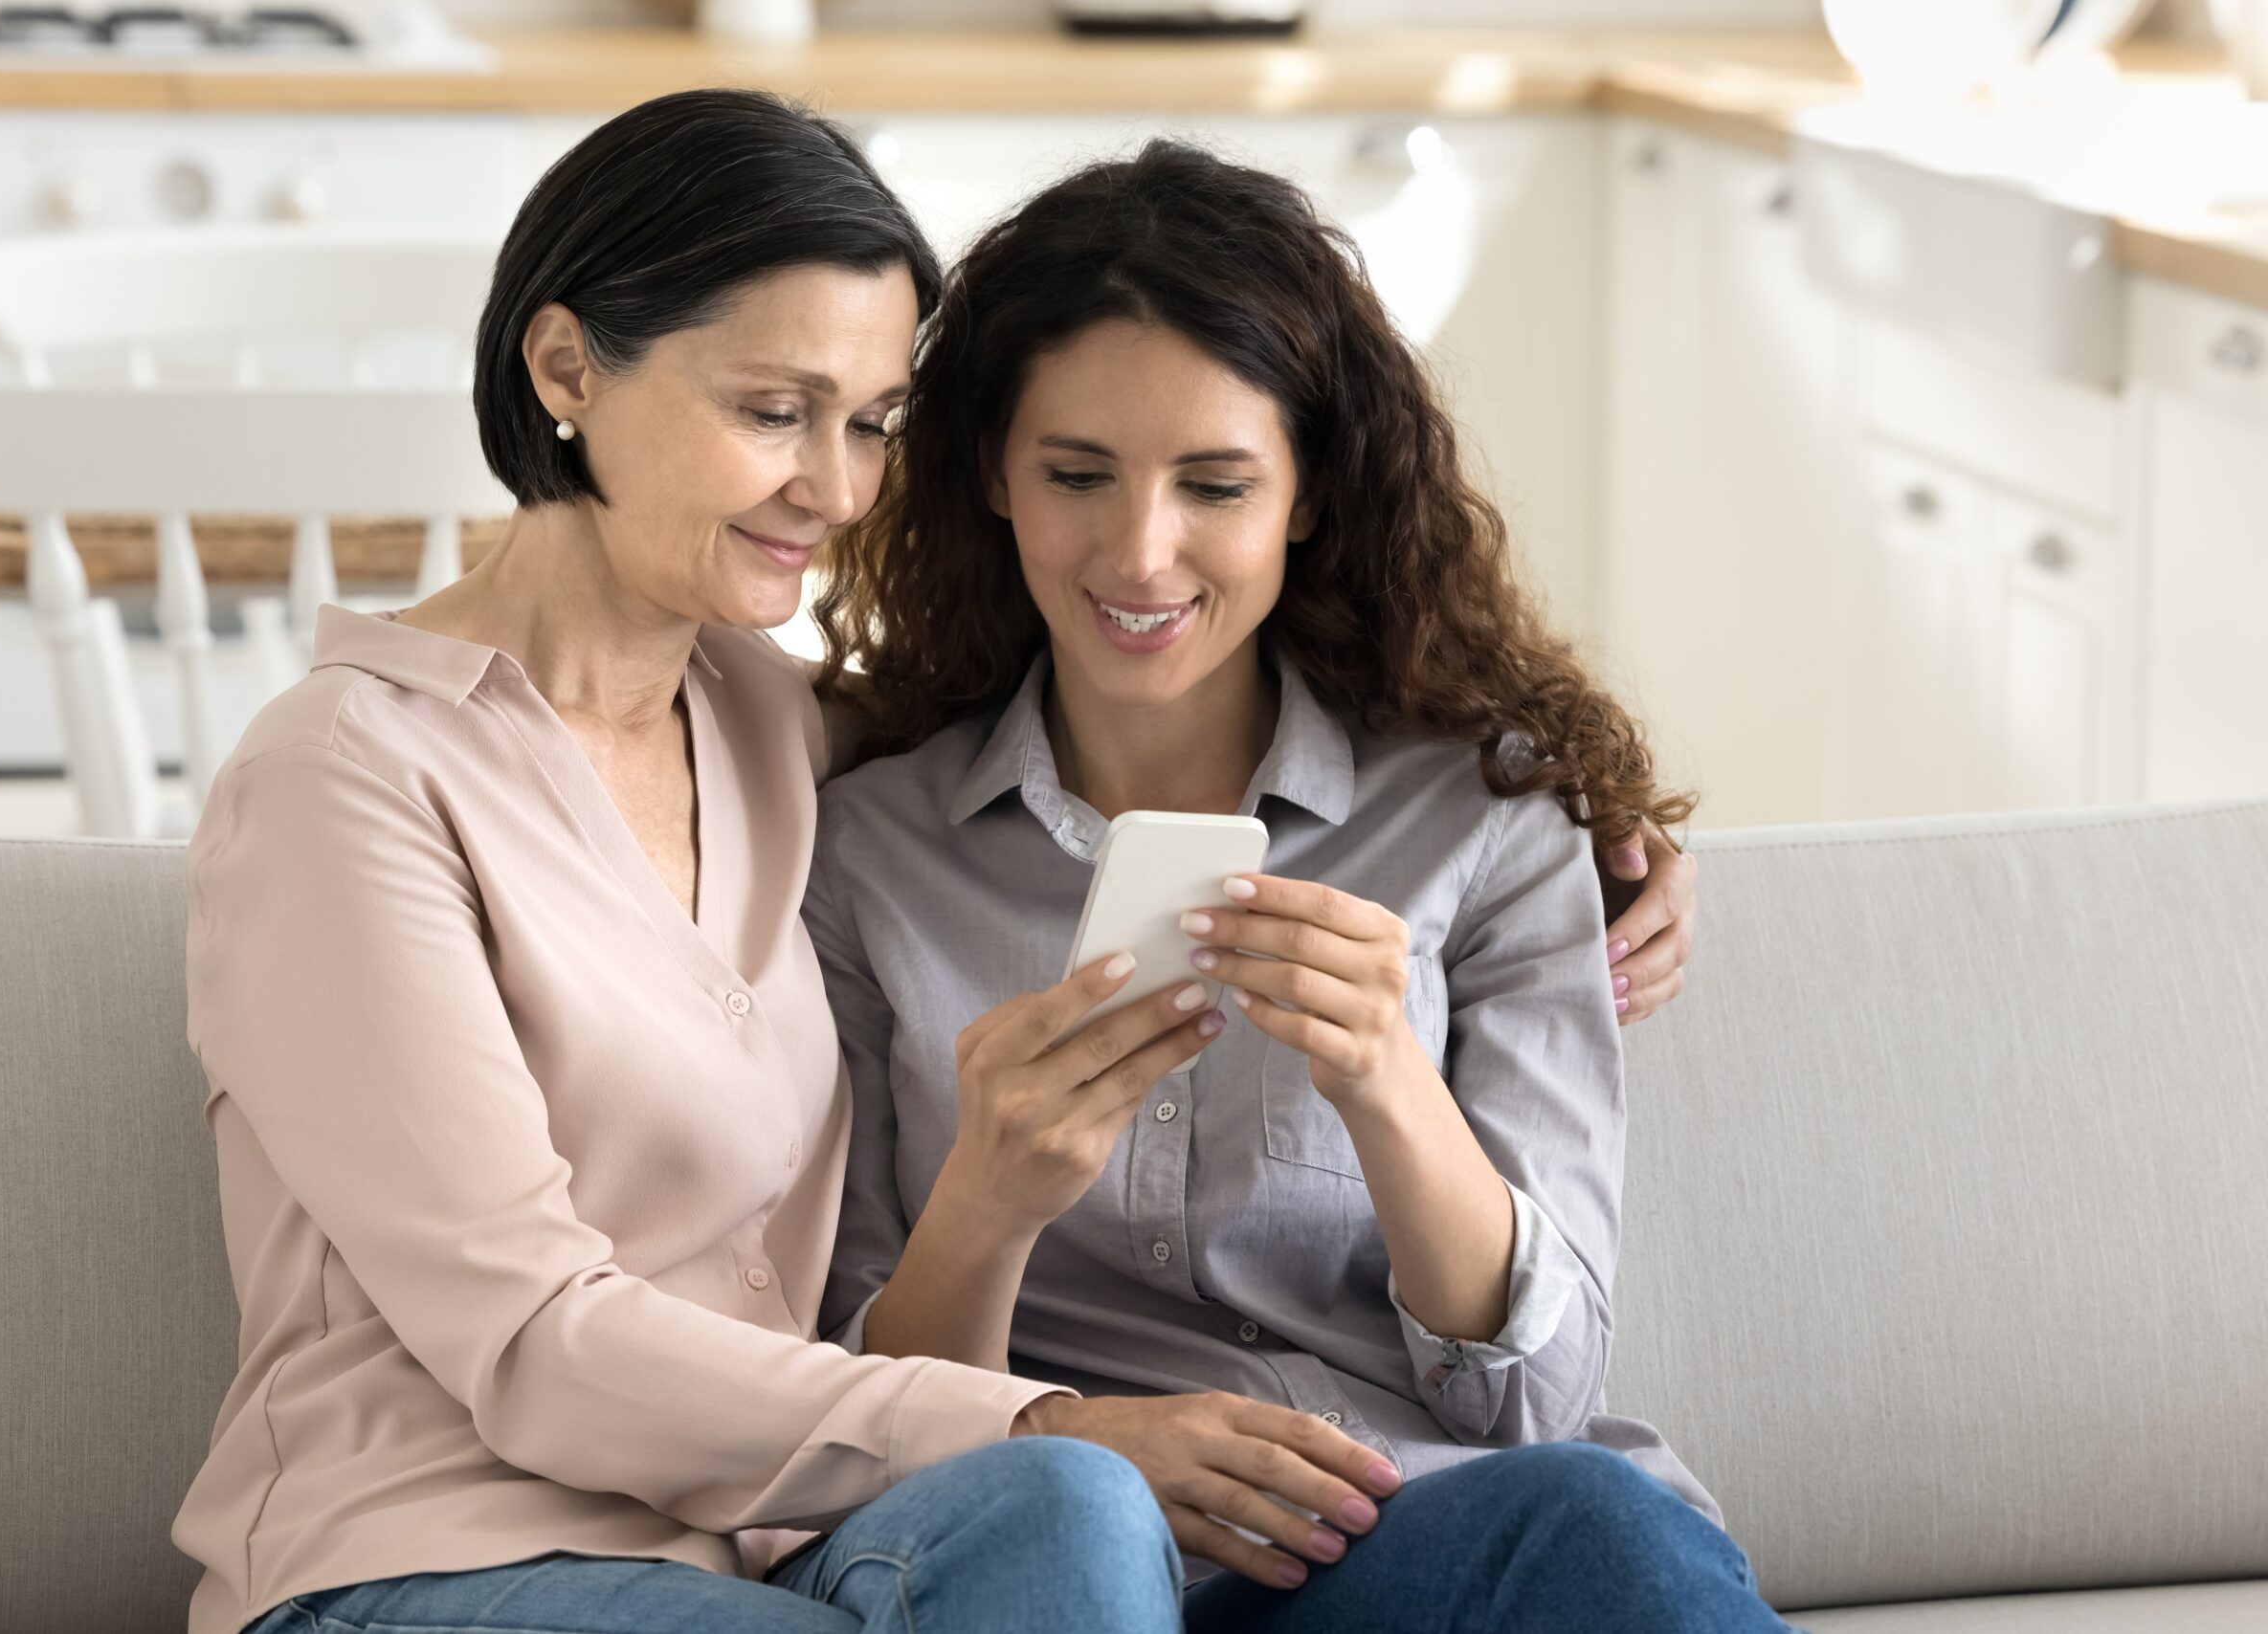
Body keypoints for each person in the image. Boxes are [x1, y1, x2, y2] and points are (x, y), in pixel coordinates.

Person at [169, 91, 1203, 1634]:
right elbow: (529, 1337)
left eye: (869, 426)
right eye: (775, 412)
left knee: (1069, 1518)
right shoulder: (343, 782)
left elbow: (1101, 719)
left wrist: (1564, 804)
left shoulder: (766, 714)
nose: (840, 492)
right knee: (1058, 1469)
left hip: (759, 1562)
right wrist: (1031, 1416)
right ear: (567, 367)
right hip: (420, 1569)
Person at [803, 139, 1780, 1633]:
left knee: (1601, 1519)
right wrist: (989, 1206)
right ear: (993, 472)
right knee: (1071, 1529)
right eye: (1078, 475)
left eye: (1216, 483)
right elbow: (840, 1408)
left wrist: (1391, 1078)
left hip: (1402, 1536)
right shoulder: (863, 851)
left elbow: (1538, 1394)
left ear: (1310, 493)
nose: (1142, 551)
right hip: (1049, 1547)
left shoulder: (1487, 821)